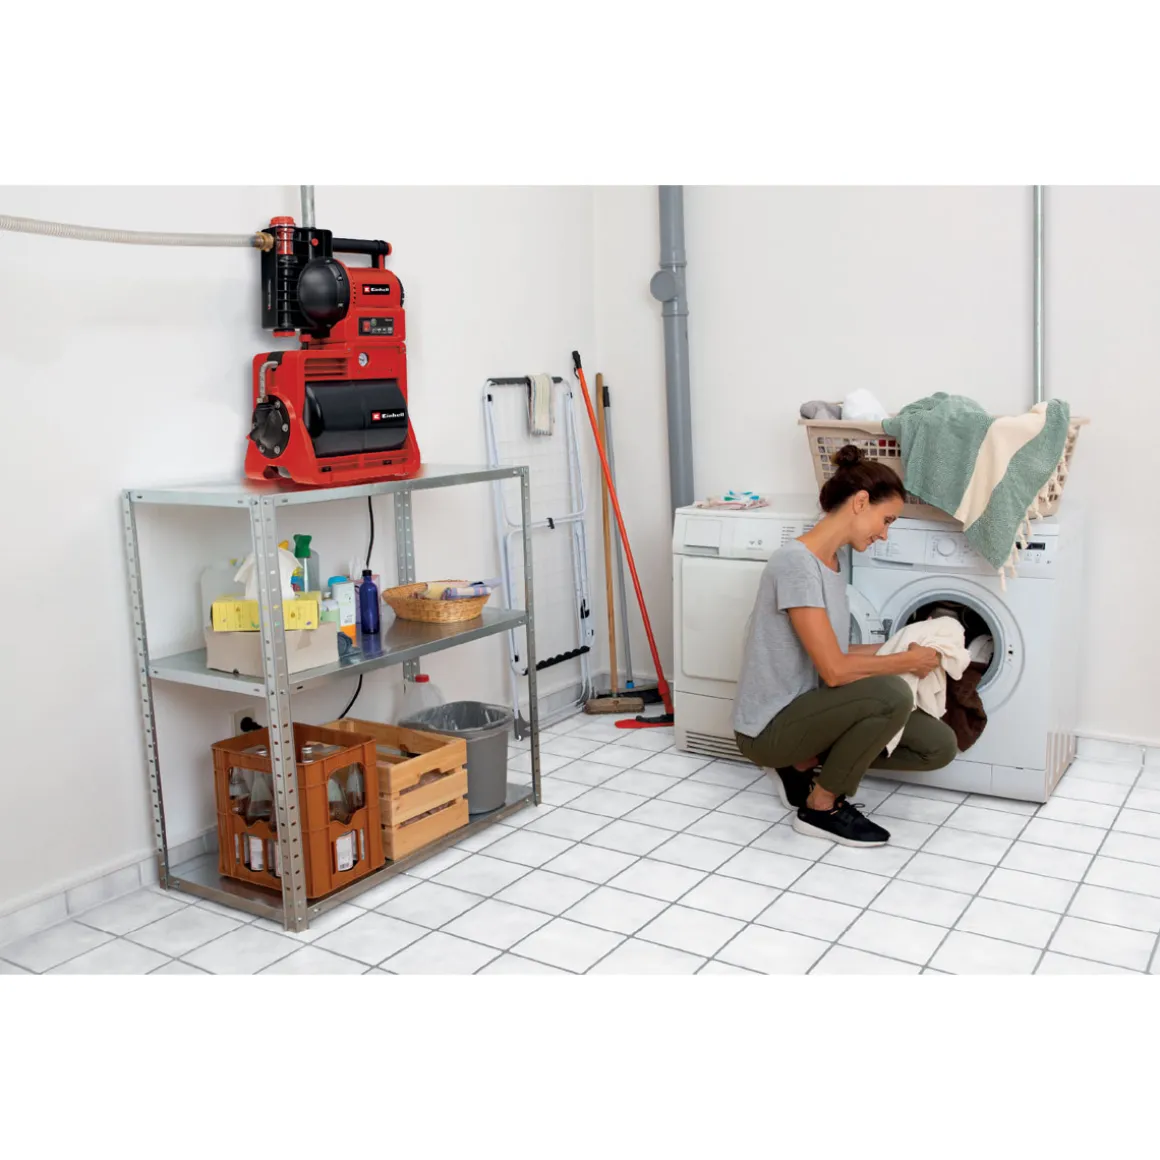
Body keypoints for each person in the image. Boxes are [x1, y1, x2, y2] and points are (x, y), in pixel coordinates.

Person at [732, 445, 957, 848]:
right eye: (886, 520)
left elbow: (835, 652)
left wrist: (908, 646)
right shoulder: (796, 563)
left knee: (938, 746)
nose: (884, 533)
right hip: (768, 726)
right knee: (892, 694)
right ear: (860, 502)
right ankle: (821, 806)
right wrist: (903, 661)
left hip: (810, 712)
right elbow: (834, 670)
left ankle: (803, 766)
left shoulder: (832, 564)